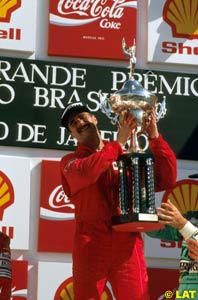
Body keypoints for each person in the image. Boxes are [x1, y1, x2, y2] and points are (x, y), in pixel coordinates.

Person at [60, 102, 177, 300]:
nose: (79, 121)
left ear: (95, 119)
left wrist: (154, 138)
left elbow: (165, 179)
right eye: (73, 122)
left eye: (82, 116)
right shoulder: (70, 162)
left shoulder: (125, 155)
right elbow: (89, 171)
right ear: (72, 134)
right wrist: (118, 143)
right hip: (90, 247)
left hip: (128, 247)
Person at [147, 199, 198, 299]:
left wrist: (184, 226)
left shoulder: (186, 222)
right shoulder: (192, 217)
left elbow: (183, 226)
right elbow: (153, 230)